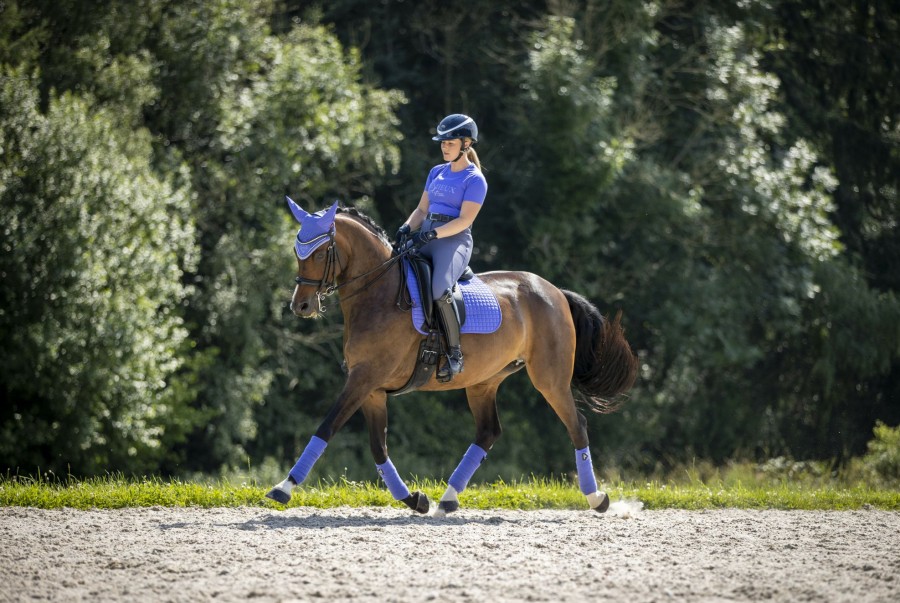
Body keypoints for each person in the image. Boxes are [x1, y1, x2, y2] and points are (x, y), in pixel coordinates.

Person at [395, 114, 488, 377]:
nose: (444, 147)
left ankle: (455, 353)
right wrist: (407, 227)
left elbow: (465, 220)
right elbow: (422, 209)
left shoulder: (475, 180)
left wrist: (433, 235)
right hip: (425, 233)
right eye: (442, 143)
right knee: (393, 269)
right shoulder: (436, 172)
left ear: (466, 143)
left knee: (439, 288)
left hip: (453, 240)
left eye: (450, 142)